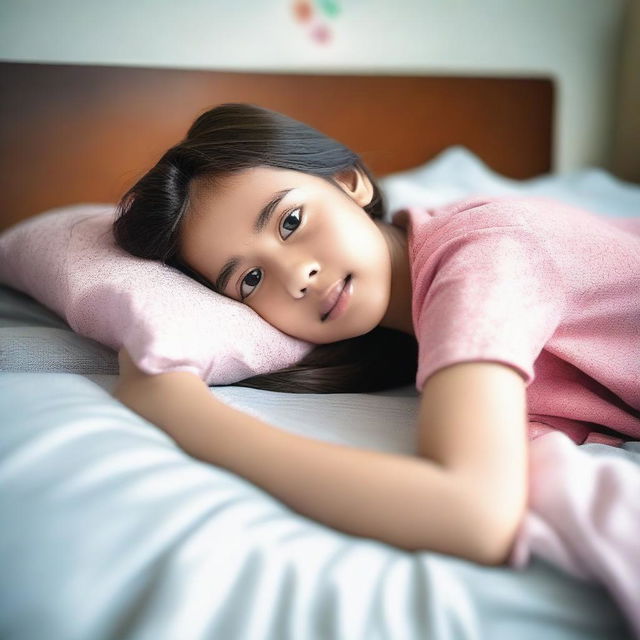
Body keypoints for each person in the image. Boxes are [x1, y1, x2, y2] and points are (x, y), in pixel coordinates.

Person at [110, 102, 640, 566]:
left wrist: (182, 413)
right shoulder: (409, 324)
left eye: (290, 221)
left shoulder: (484, 255)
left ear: (350, 182)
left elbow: (476, 515)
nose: (296, 277)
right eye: (250, 279)